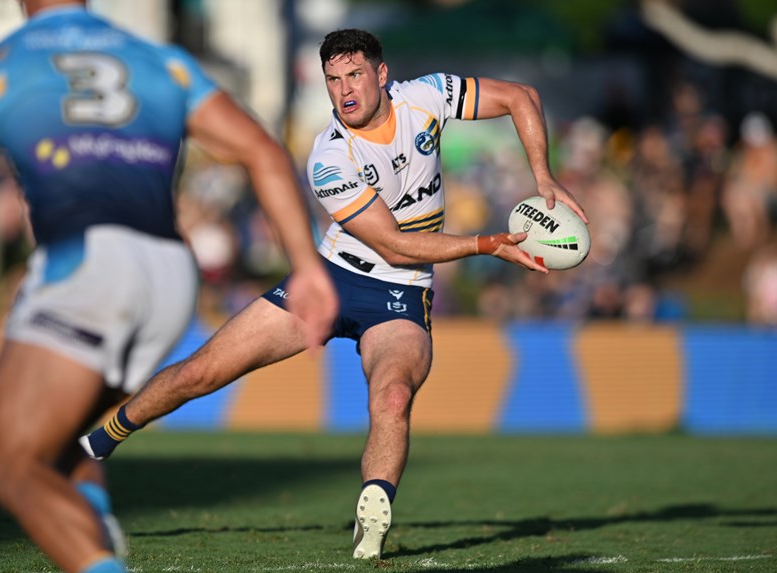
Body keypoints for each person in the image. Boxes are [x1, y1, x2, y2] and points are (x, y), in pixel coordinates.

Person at [81, 28, 588, 560]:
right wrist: (487, 244)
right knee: (201, 373)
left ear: (381, 75)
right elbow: (394, 245)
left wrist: (543, 177)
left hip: (401, 295)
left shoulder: (426, 96)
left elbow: (520, 97)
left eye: (353, 75)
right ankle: (99, 441)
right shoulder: (328, 157)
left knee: (393, 396)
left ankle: (372, 518)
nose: (344, 90)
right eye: (332, 80)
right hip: (331, 281)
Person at [0, 2, 337, 573]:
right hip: (169, 272)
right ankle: (92, 513)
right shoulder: (159, 60)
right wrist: (307, 266)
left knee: (14, 466)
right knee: (61, 432)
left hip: (87, 262)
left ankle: (96, 549)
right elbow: (263, 151)